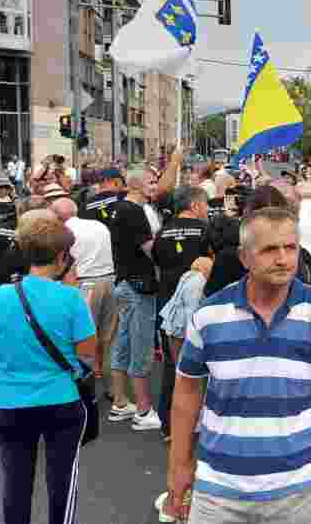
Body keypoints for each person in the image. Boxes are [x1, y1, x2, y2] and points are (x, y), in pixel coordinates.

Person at [166, 207, 311, 523]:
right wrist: (178, 466)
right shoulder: (209, 316)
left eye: (291, 248)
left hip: (296, 487)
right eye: (269, 249)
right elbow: (186, 392)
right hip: (219, 486)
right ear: (244, 258)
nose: (283, 258)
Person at [0, 211, 95, 524]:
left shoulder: (3, 296)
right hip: (61, 399)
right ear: (61, 257)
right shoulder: (72, 299)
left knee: (15, 486)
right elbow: (87, 358)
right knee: (63, 484)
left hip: (11, 401)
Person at [152, 186, 212, 440]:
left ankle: (169, 424)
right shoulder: (205, 230)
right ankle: (200, 421)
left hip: (169, 303)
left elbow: (156, 260)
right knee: (201, 364)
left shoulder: (162, 230)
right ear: (196, 206)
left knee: (172, 365)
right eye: (205, 205)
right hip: (198, 302)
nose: (207, 210)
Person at [107, 169, 160, 431]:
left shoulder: (118, 208)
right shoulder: (134, 211)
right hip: (138, 285)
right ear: (137, 185)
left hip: (124, 282)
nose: (155, 185)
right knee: (140, 345)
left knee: (124, 341)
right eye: (151, 182)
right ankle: (143, 409)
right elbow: (150, 249)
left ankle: (120, 402)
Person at [49, 198, 117, 380]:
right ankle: (103, 373)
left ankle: (84, 376)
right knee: (107, 334)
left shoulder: (64, 232)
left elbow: (64, 264)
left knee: (83, 333)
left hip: (84, 282)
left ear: (57, 216)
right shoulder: (98, 225)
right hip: (109, 279)